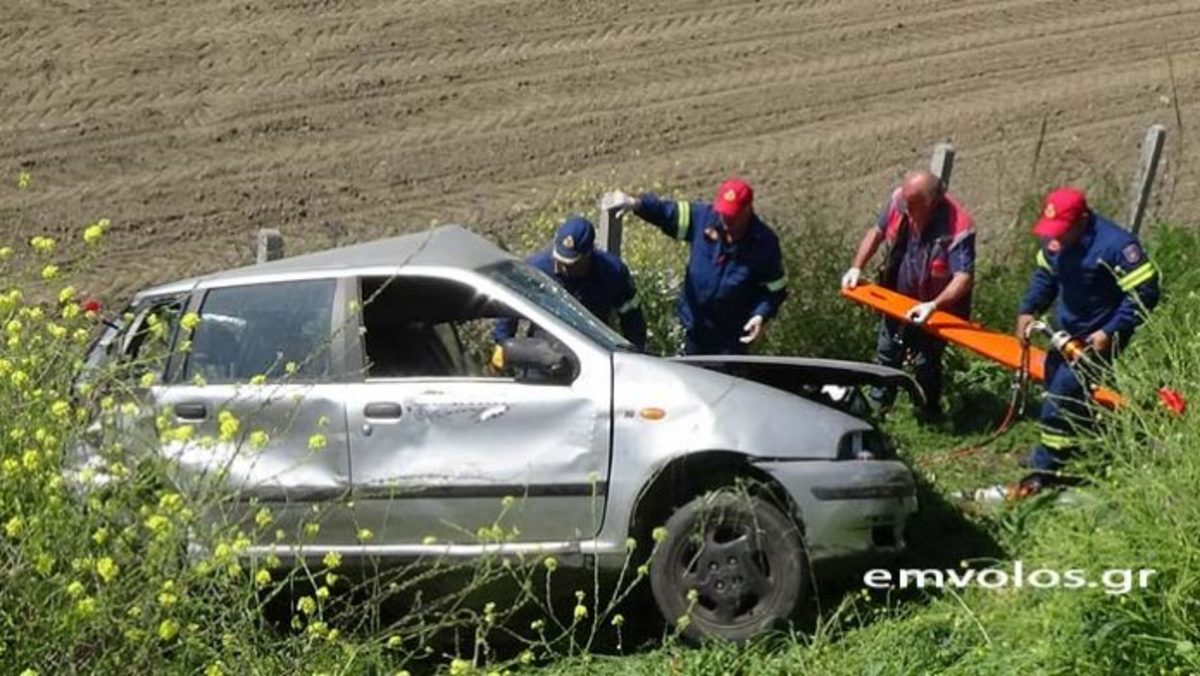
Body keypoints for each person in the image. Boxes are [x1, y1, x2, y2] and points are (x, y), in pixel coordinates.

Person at [1013, 187, 1159, 492]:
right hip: (1062, 333)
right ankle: (1074, 448)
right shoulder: (1057, 239)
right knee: (1056, 388)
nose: (1056, 237)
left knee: (1062, 398)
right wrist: (1029, 309)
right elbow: (1046, 275)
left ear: (1082, 220)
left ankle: (1044, 469)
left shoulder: (1116, 246)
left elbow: (1144, 293)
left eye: (1062, 230)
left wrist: (1110, 331)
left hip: (1098, 338)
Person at [841, 169, 976, 419]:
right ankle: (878, 408)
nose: (906, 208)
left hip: (936, 310)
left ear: (932, 202)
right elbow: (877, 232)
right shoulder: (899, 202)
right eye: (905, 202)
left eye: (913, 205)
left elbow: (963, 278)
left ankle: (929, 412)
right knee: (887, 351)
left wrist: (933, 305)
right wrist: (856, 266)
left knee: (926, 363)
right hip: (898, 300)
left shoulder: (958, 227)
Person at [603, 178, 787, 355]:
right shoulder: (705, 219)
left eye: (732, 215)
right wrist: (637, 204)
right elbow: (668, 213)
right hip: (692, 328)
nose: (725, 219)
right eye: (723, 213)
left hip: (729, 340)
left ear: (748, 210)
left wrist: (761, 314)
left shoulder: (764, 244)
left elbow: (774, 290)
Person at [493, 216, 647, 349]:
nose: (563, 268)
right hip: (543, 353)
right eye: (560, 261)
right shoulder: (535, 270)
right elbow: (510, 307)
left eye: (571, 264)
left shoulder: (612, 272)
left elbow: (632, 316)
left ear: (588, 254)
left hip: (594, 352)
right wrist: (502, 344)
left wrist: (635, 353)